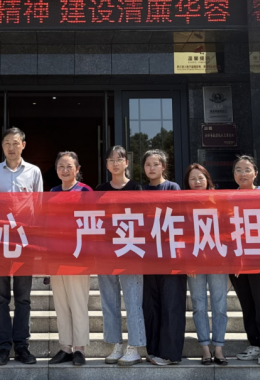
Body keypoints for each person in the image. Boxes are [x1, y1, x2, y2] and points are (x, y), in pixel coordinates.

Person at [0, 127, 42, 366]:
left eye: (15, 143)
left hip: (24, 242)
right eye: (7, 143)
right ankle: (3, 347)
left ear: (23, 145)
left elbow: (39, 207)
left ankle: (21, 346)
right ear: (2, 146)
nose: (11, 147)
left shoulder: (34, 172)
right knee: (0, 298)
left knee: (23, 298)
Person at [95, 146, 146, 366]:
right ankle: (116, 344)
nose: (115, 163)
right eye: (111, 160)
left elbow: (143, 218)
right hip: (106, 250)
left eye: (119, 159)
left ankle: (134, 346)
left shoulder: (136, 188)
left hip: (130, 249)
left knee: (133, 299)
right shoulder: (100, 189)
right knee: (109, 300)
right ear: (106, 164)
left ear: (127, 162)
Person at [228, 155, 260, 366]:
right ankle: (254, 342)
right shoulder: (228, 199)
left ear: (256, 173)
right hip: (238, 261)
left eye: (247, 170)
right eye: (238, 170)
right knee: (247, 304)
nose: (242, 174)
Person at [140, 149, 187, 366]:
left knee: (171, 303)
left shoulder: (172, 188)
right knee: (151, 304)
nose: (151, 168)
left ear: (164, 167)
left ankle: (170, 354)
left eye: (156, 164)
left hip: (170, 255)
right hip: (148, 255)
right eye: (148, 164)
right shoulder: (139, 190)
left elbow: (178, 219)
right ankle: (153, 351)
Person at [48, 151, 92, 367]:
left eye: (69, 166)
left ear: (77, 169)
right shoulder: (52, 193)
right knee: (61, 303)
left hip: (78, 255)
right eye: (61, 167)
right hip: (57, 255)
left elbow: (93, 223)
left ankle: (80, 349)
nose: (65, 170)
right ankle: (65, 347)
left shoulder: (85, 191)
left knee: (78, 302)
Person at [185, 164, 228, 366]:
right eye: (193, 178)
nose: (197, 182)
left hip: (217, 260)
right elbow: (180, 234)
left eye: (200, 177)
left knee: (220, 305)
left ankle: (218, 347)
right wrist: (187, 261)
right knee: (199, 305)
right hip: (194, 261)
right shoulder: (182, 203)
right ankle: (204, 347)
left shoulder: (219, 200)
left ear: (207, 179)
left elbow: (228, 230)